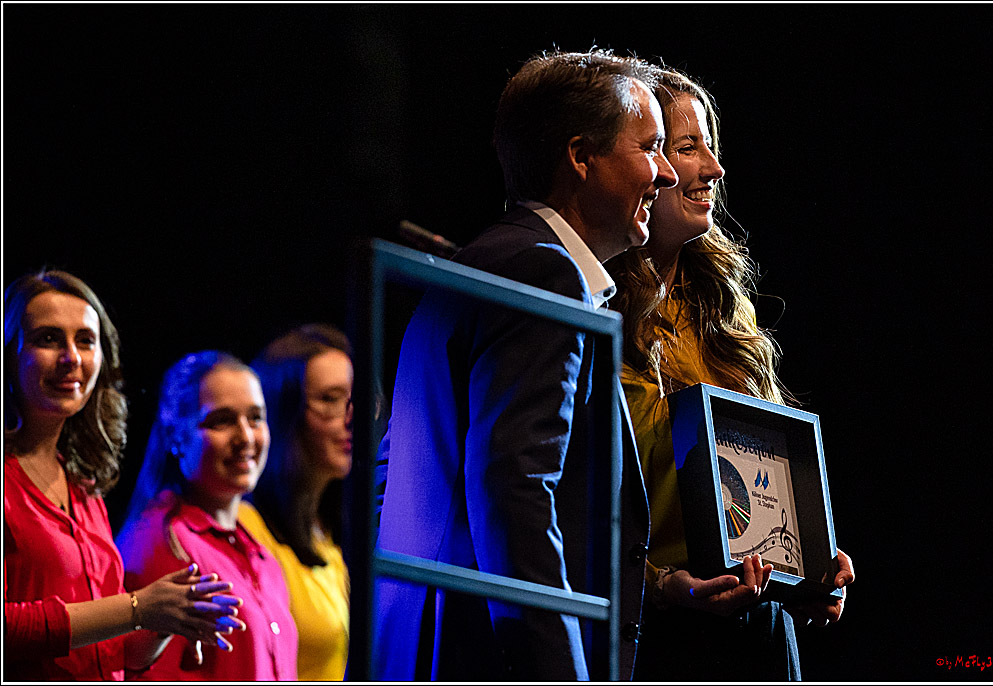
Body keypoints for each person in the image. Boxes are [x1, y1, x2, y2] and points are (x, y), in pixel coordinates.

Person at [373, 49, 677, 681]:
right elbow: (514, 491)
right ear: (580, 157)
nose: (666, 174)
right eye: (650, 147)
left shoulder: (489, 262)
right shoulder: (546, 273)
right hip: (488, 654)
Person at [605, 66, 856, 681]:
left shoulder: (721, 309)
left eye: (708, 147)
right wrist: (662, 587)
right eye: (688, 148)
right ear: (649, 162)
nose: (713, 169)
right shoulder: (593, 310)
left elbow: (762, 483)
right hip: (649, 636)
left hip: (760, 637)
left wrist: (808, 563)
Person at [4, 270, 242, 681]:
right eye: (48, 339)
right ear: (10, 354)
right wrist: (137, 607)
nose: (72, 358)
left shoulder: (82, 485)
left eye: (85, 340)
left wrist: (167, 619)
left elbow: (115, 653)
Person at [116, 351, 298, 680]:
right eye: (222, 421)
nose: (245, 437)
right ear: (176, 437)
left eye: (255, 418)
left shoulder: (260, 553)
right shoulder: (161, 540)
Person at [237, 324, 353, 680]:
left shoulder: (328, 534)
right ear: (283, 412)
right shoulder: (245, 529)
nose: (352, 419)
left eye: (356, 400)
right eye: (331, 400)